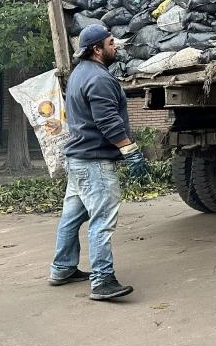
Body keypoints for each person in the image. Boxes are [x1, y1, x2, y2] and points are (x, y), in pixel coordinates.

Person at [48, 24, 152, 301]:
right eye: (110, 42)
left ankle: (62, 269)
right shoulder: (100, 79)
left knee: (71, 217)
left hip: (78, 159)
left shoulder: (79, 74)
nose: (115, 45)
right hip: (94, 162)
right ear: (97, 49)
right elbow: (107, 120)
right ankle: (102, 281)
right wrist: (130, 150)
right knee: (102, 220)